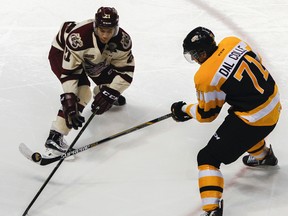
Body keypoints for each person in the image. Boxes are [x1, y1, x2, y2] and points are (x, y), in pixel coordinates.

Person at [171, 27, 281, 216]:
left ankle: (212, 209)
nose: (196, 59)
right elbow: (258, 62)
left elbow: (207, 115)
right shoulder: (233, 42)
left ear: (203, 52)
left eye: (196, 55)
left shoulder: (205, 75)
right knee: (238, 123)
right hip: (274, 102)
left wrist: (184, 110)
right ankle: (264, 156)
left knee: (207, 158)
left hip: (256, 118)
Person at [45, 7, 135, 155]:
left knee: (112, 81)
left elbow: (125, 72)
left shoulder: (122, 41)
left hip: (90, 56)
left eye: (110, 30)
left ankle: (101, 91)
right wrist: (70, 102)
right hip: (62, 52)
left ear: (116, 28)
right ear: (95, 27)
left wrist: (110, 93)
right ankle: (55, 136)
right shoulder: (78, 39)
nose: (105, 35)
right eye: (102, 30)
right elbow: (70, 74)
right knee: (83, 92)